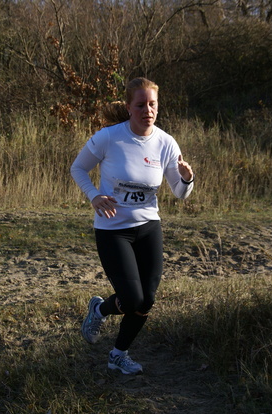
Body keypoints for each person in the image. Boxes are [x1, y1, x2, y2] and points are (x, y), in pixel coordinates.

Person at [70, 77, 194, 375]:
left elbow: (180, 193)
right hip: (113, 229)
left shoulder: (166, 143)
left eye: (152, 104)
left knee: (147, 300)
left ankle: (118, 354)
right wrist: (94, 195)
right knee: (132, 298)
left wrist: (187, 179)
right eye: (140, 105)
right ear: (128, 107)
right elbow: (78, 168)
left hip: (149, 227)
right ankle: (100, 310)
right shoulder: (109, 137)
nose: (147, 111)